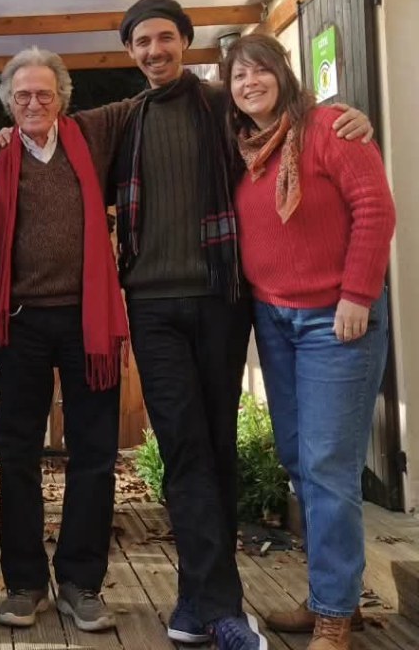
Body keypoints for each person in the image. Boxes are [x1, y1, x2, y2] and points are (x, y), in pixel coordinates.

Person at [114, 0, 370, 650]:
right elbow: (49, 130)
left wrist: (348, 118)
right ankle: (220, 606)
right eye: (141, 42)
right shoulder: (125, 119)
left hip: (223, 301)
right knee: (187, 447)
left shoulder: (224, 110)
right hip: (156, 305)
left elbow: (293, 126)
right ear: (130, 52)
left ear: (185, 41)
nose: (154, 50)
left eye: (165, 37)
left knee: (221, 447)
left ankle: (206, 600)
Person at [223, 34, 395, 650]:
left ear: (283, 73)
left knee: (326, 465)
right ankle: (330, 592)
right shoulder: (244, 146)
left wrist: (358, 293)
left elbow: (375, 209)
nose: (250, 83)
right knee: (299, 459)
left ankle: (334, 614)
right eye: (238, 76)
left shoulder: (329, 129)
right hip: (276, 319)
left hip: (335, 319)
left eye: (260, 71)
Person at [0, 47, 134, 633]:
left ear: (62, 98)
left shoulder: (89, 138)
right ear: (8, 102)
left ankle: (80, 582)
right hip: (21, 321)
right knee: (16, 453)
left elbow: (151, 97)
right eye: (22, 95)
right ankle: (24, 583)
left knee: (94, 453)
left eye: (43, 93)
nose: (33, 103)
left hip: (86, 320)